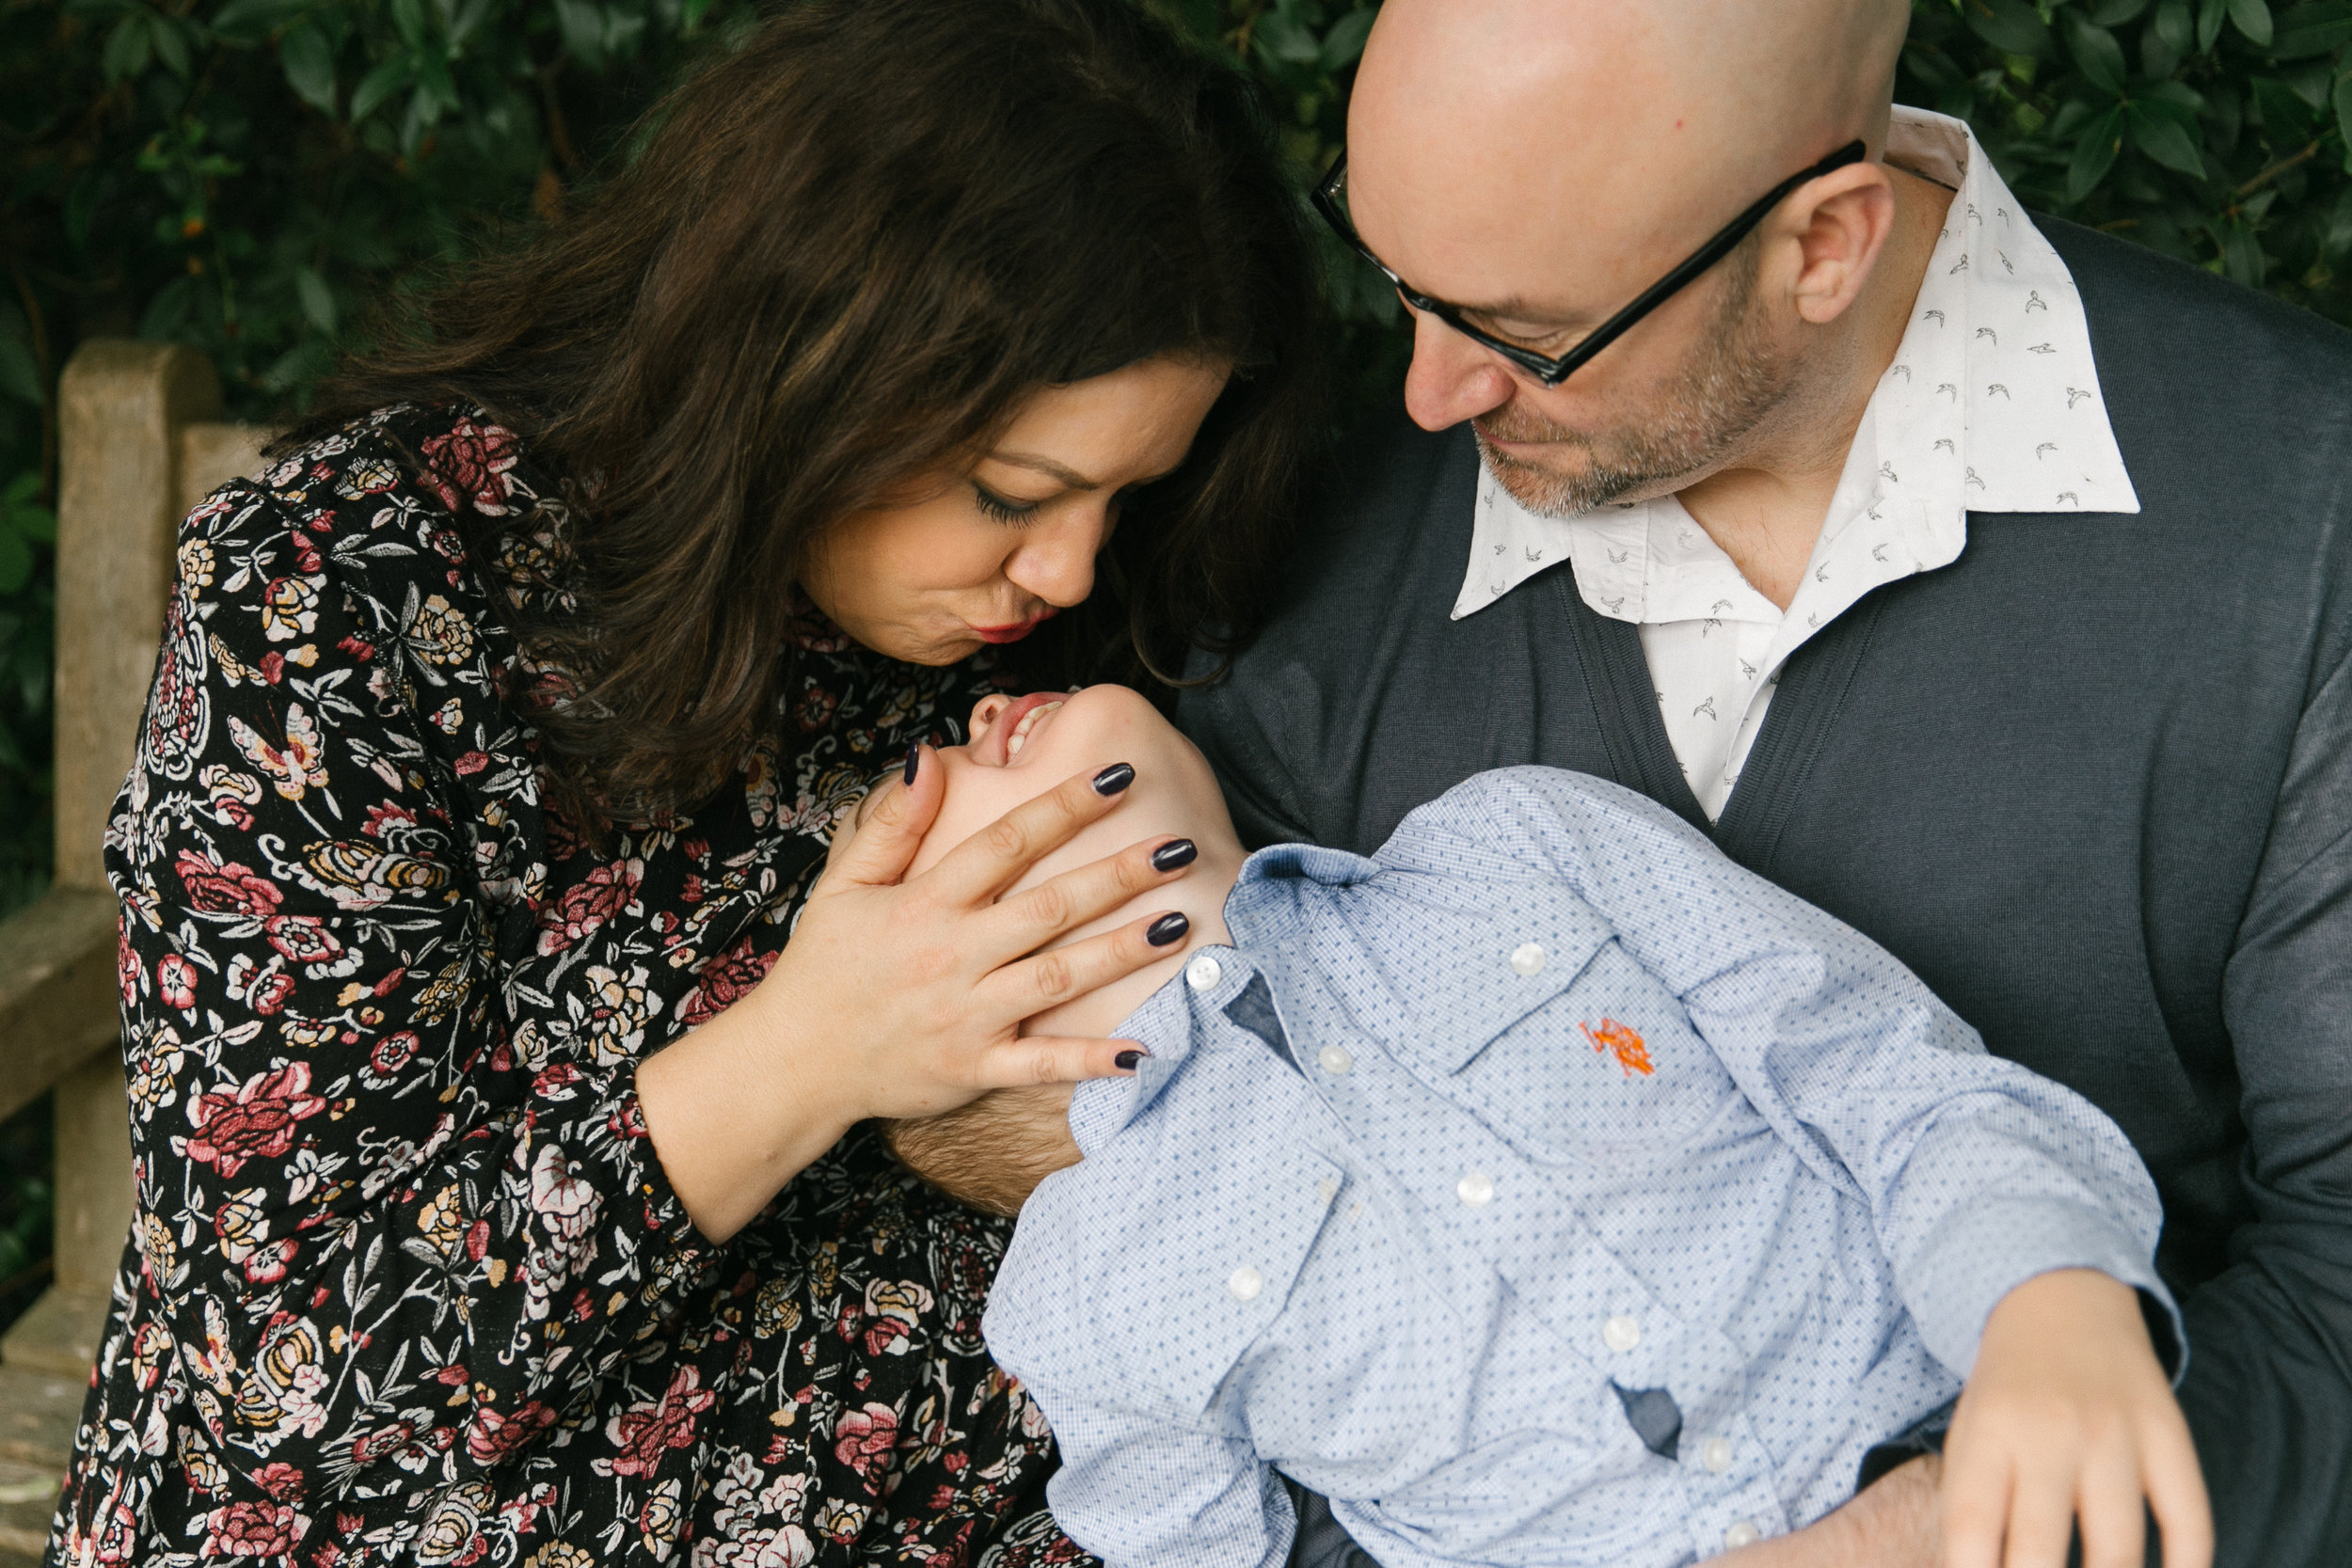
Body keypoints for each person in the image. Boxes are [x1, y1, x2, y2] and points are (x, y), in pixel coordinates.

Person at [52, 3, 1327, 1564]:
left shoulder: (1074, 649)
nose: (1067, 570)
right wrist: (816, 1046)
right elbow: (299, 1369)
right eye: (1014, 491)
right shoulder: (351, 595)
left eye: (1129, 494)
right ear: (803, 369)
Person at [1171, 2, 2352, 1565]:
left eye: (1524, 331)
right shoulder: (1305, 560)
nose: (1426, 393)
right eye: (1397, 278)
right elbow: (1212, 1268)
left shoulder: (2307, 522)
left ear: (1825, 244)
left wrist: (1935, 1533)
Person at [856, 683, 2207, 1568]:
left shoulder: (1516, 844)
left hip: (1992, 1470)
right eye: (907, 823)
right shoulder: (1078, 1289)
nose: (974, 714)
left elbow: (1882, 1078)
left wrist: (2055, 1300)